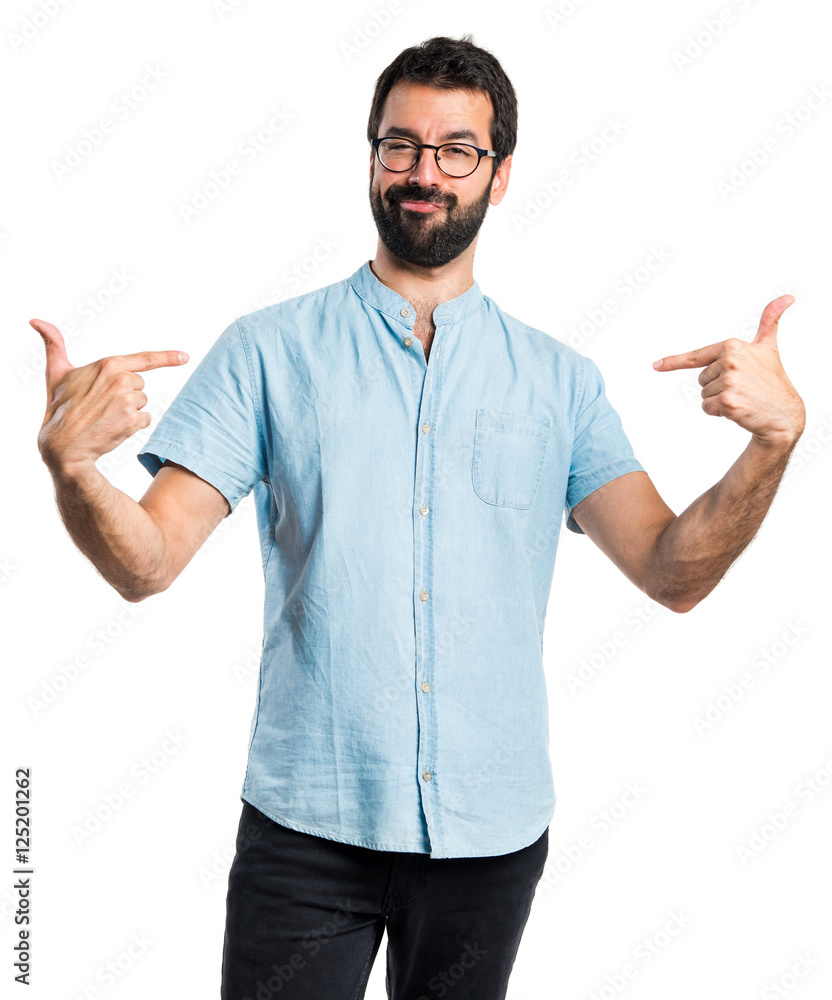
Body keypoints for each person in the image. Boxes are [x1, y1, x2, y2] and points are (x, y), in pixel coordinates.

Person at [32, 33, 805, 1000]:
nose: (423, 172)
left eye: (456, 150)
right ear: (372, 158)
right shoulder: (269, 352)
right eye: (400, 145)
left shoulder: (560, 383)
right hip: (306, 827)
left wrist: (769, 447)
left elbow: (670, 572)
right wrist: (73, 468)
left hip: (491, 837)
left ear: (501, 174)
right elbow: (147, 562)